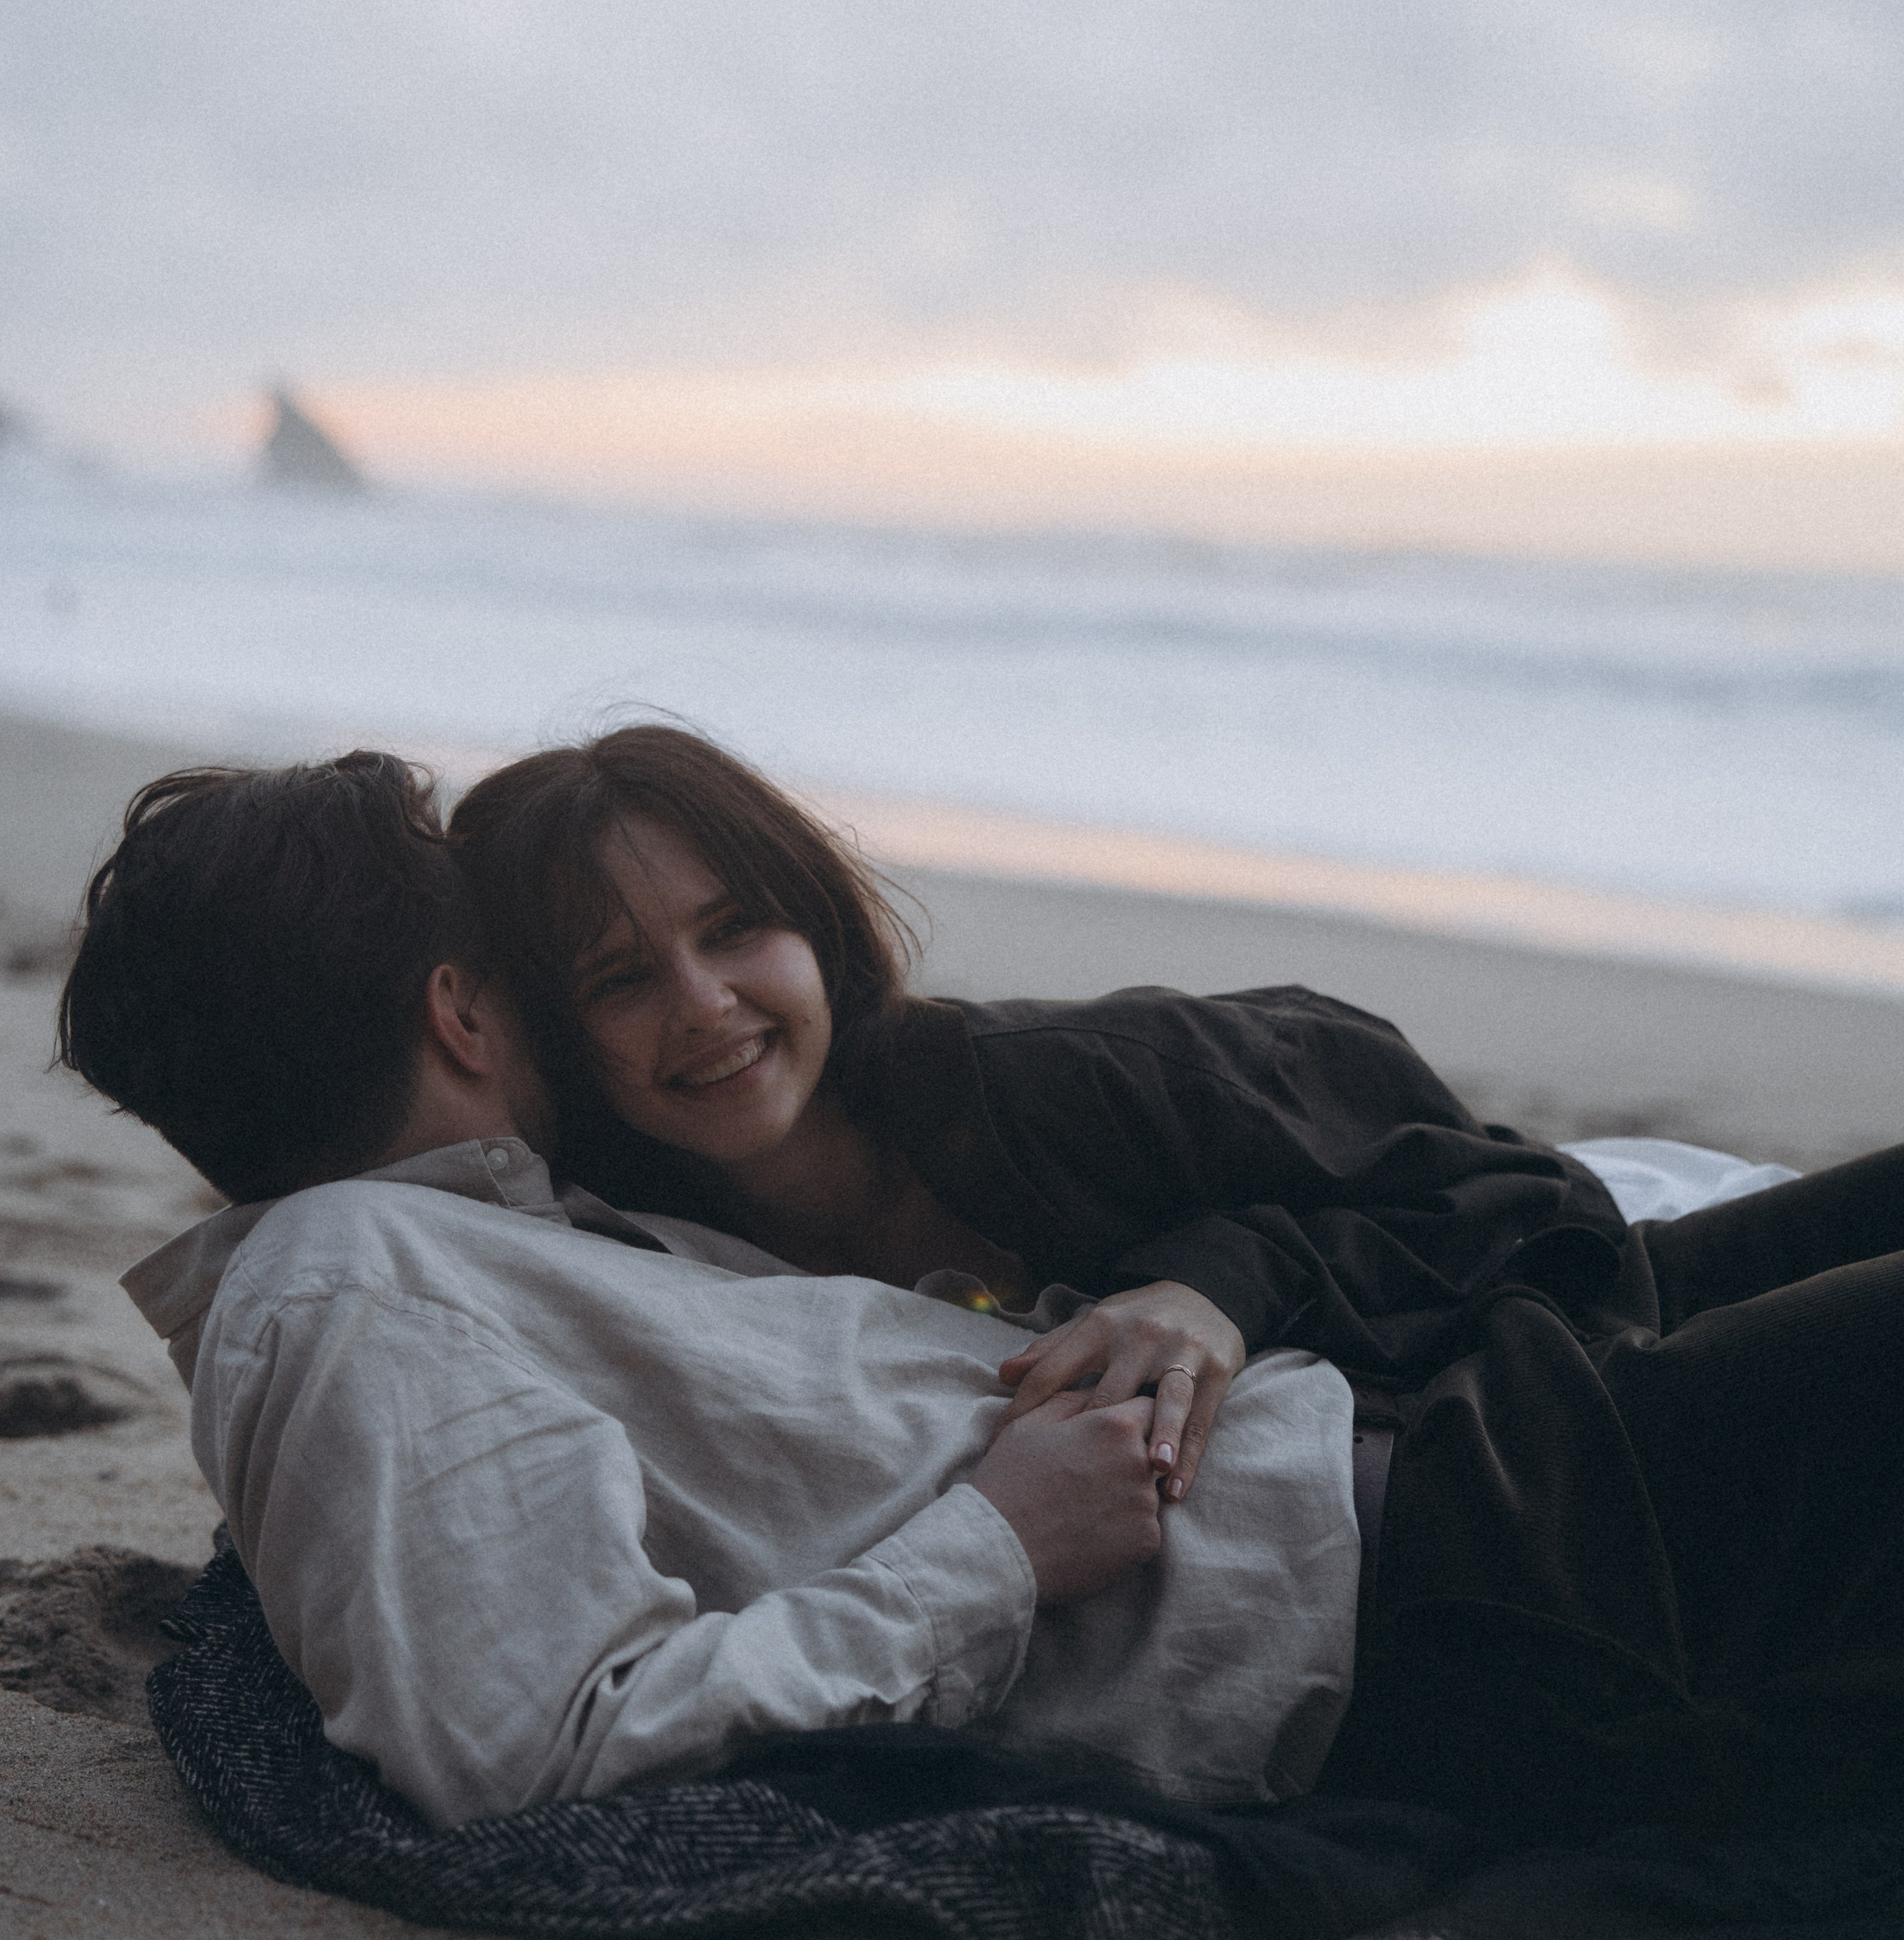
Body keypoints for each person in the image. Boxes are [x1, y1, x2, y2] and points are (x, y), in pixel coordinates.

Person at [61, 750, 1904, 1846]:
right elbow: (527, 1752)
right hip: (1427, 1575)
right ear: (466, 1010)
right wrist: (995, 1553)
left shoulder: (488, 1242)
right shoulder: (345, 1289)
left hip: (1409, 1446)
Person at [446, 726, 1638, 1503]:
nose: (704, 1006)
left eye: (735, 930)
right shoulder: (633, 1256)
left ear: (814, 922)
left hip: (1566, 1447)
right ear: (554, 1034)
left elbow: (1531, 1198)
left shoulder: (1072, 1078)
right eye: (620, 979)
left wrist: (1222, 1282)